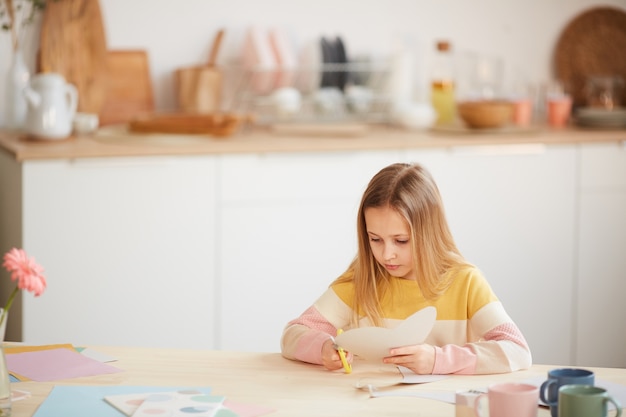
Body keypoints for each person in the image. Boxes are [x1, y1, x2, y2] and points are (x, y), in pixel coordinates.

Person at [280, 162, 532, 375]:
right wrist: (323, 348)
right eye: (375, 239)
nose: (386, 254)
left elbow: (517, 350)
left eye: (401, 241)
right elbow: (293, 334)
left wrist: (437, 360)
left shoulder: (465, 281)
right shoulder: (362, 279)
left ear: (428, 233)